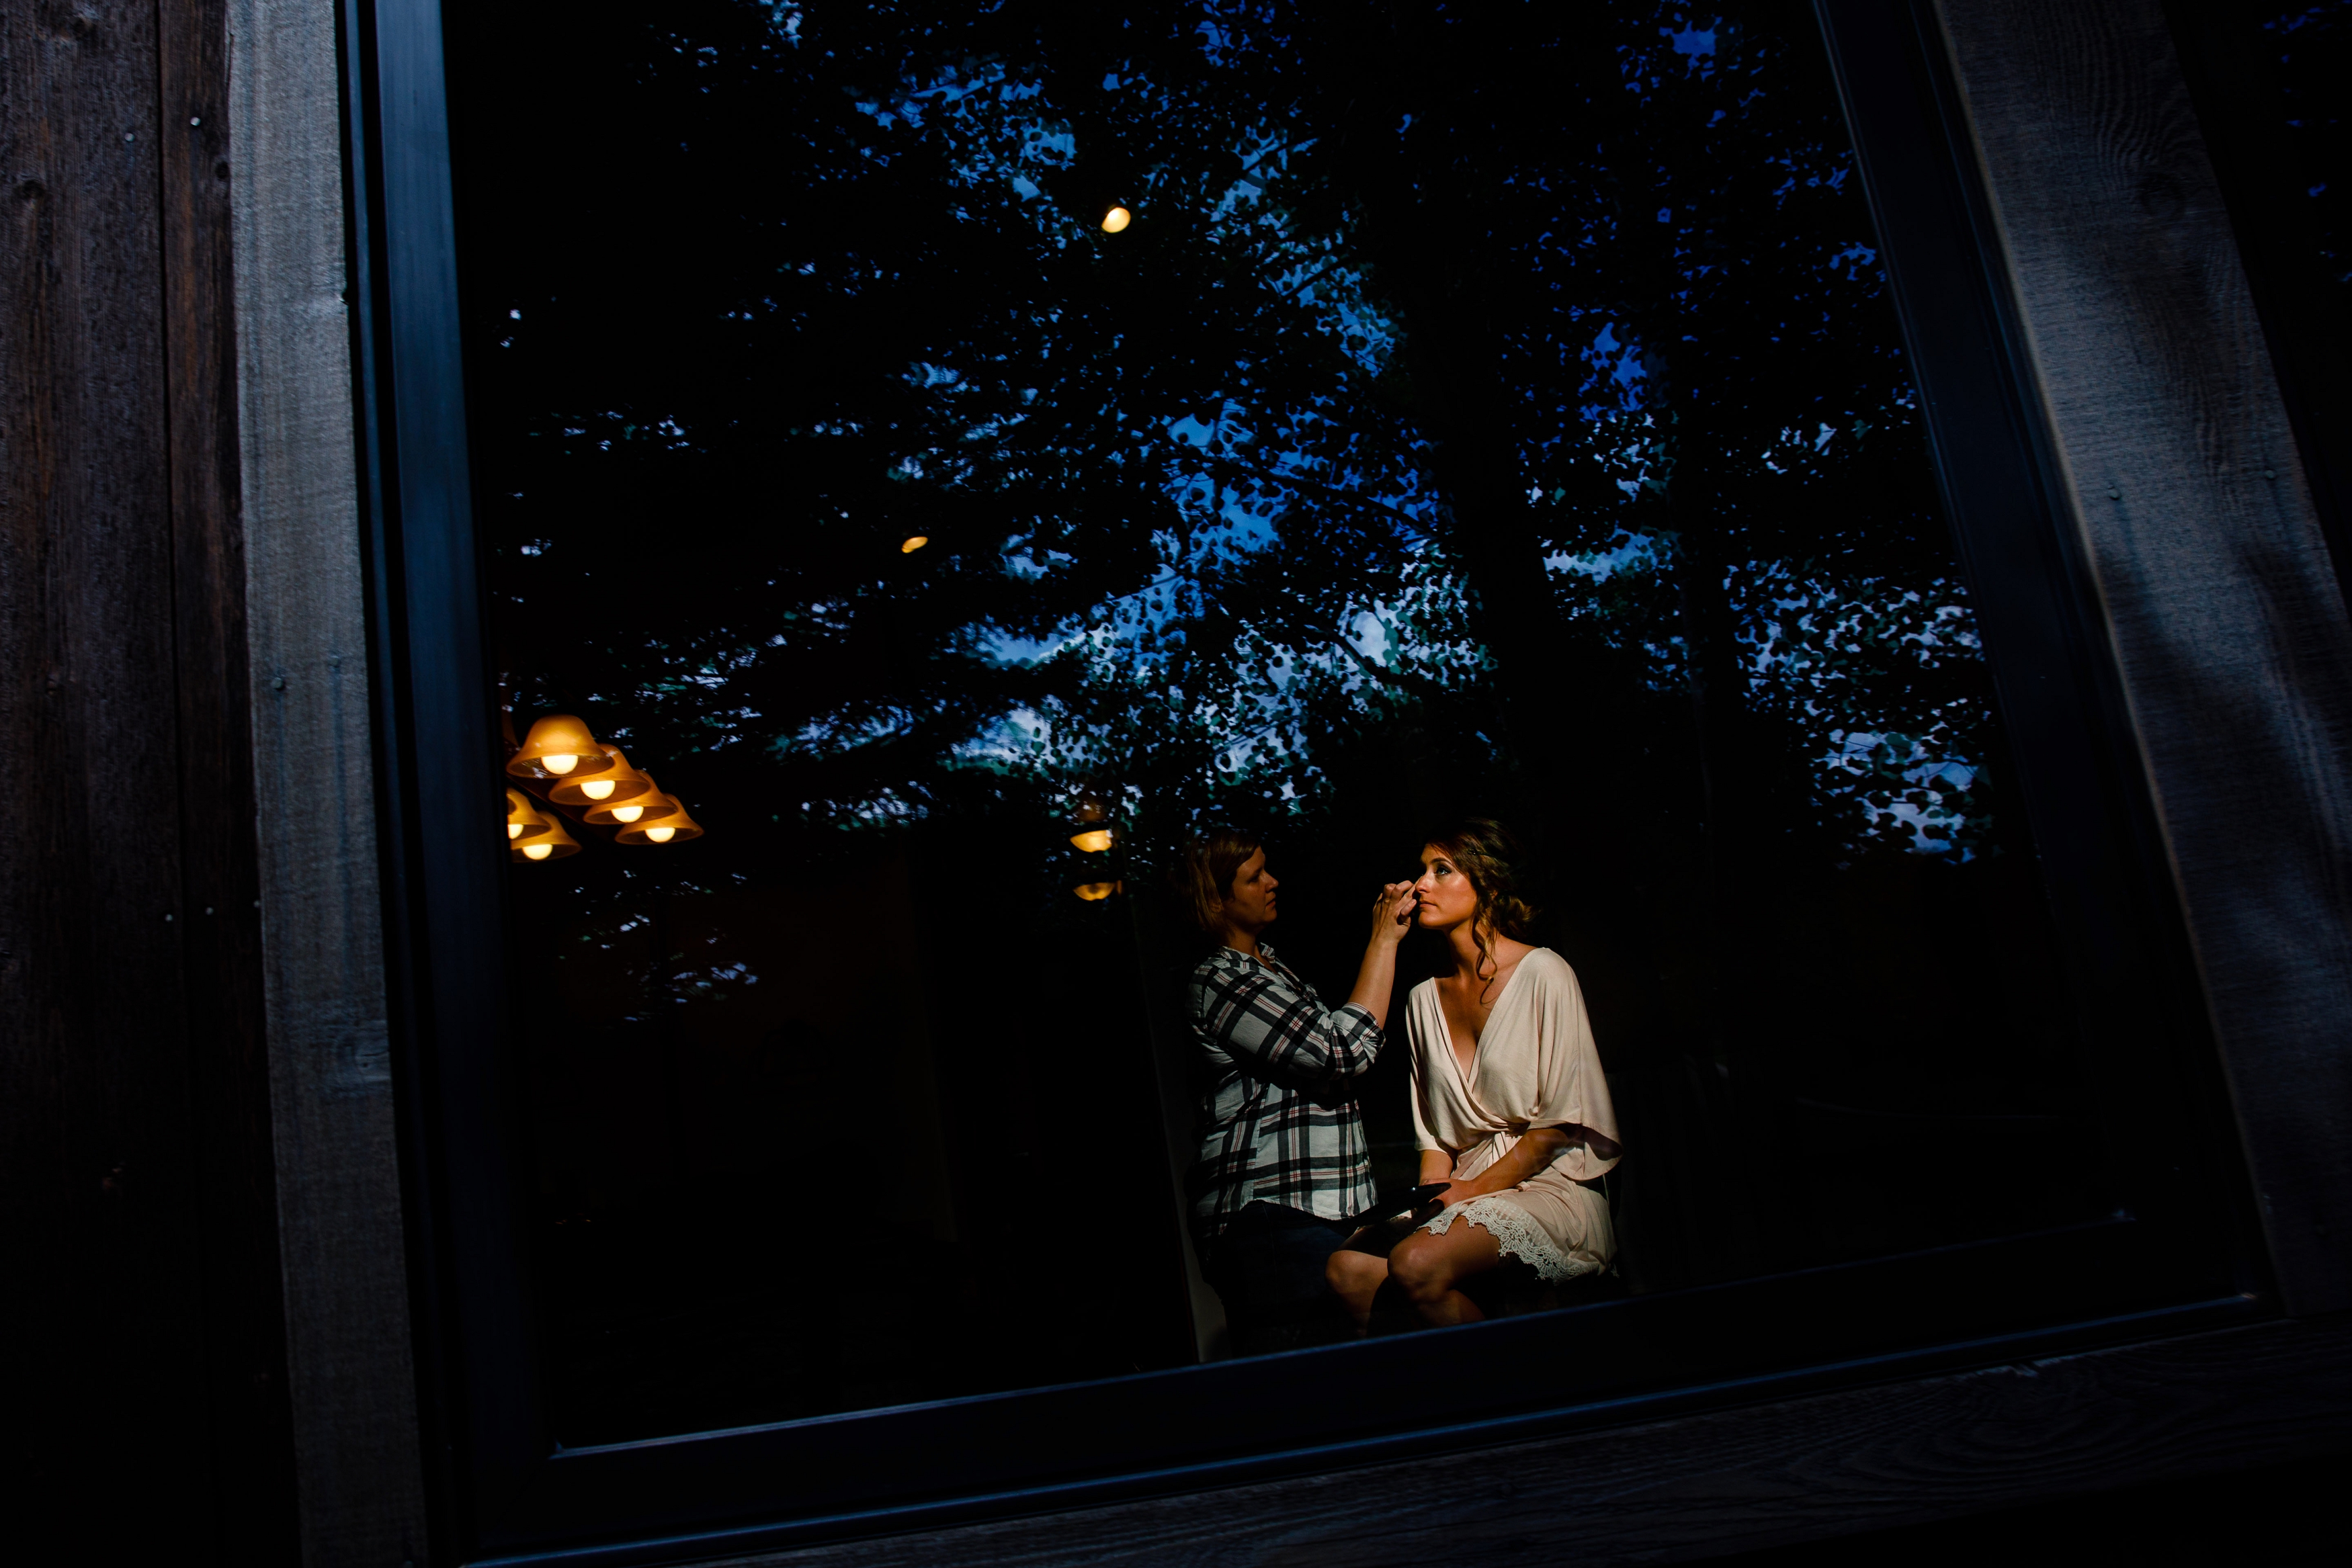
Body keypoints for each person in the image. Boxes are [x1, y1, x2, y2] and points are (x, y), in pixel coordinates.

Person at [1327, 819, 1621, 1330]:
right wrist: (1431, 1198)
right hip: (1462, 1183)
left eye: (1442, 871)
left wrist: (1470, 1192)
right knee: (1346, 1269)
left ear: (1487, 882)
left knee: (1415, 1262)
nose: (1420, 886)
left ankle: (1508, 1386)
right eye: (1422, 871)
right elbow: (1434, 1141)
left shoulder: (1544, 973)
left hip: (1547, 1183)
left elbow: (1557, 1130)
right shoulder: (1421, 1000)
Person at [1177, 828, 1418, 1350]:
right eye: (1253, 876)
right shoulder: (1219, 979)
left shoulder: (1272, 966)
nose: (1272, 881)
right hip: (1273, 1215)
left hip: (1312, 1211)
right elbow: (1340, 1052)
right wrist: (1383, 940)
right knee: (1311, 1379)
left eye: (1267, 868)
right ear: (1216, 900)